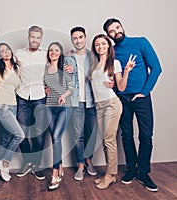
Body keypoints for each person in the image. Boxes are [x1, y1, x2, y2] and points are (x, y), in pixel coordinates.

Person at [103, 18, 162, 192]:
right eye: (112, 31)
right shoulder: (111, 51)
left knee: (145, 135)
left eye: (117, 27)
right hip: (121, 98)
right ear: (109, 35)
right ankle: (131, 169)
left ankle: (143, 172)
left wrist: (144, 91)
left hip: (141, 97)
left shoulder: (140, 42)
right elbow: (107, 71)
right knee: (126, 135)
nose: (116, 32)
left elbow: (156, 68)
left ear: (122, 27)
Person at [90, 34, 135, 189]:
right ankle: (110, 174)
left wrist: (127, 70)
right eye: (97, 44)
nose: (100, 47)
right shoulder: (94, 64)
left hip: (111, 103)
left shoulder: (114, 63)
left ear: (109, 45)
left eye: (103, 43)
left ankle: (110, 175)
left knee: (109, 140)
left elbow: (121, 87)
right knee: (105, 140)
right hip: (99, 105)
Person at [14, 26, 49, 180]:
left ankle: (36, 165)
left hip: (40, 97)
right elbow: (5, 63)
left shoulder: (46, 54)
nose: (35, 40)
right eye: (32, 37)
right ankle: (28, 162)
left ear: (41, 39)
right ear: (28, 37)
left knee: (39, 134)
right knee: (21, 133)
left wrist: (69, 58)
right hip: (22, 97)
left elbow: (58, 64)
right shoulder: (18, 54)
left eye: (38, 37)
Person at [44, 42, 75, 190]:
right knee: (55, 139)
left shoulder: (65, 68)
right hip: (49, 107)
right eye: (51, 50)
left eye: (56, 50)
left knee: (56, 137)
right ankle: (61, 166)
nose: (53, 52)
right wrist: (45, 89)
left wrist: (63, 95)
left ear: (60, 53)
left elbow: (71, 88)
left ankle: (55, 173)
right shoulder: (45, 68)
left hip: (64, 107)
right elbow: (44, 85)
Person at [69, 26, 98, 181]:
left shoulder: (94, 56)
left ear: (85, 38)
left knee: (92, 134)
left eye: (80, 37)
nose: (78, 40)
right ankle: (80, 164)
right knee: (77, 135)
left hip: (93, 101)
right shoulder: (68, 58)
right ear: (72, 40)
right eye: (75, 38)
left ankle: (89, 160)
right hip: (76, 102)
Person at [0, 42, 25, 182]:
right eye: (2, 51)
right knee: (19, 135)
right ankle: (5, 162)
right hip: (1, 105)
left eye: (7, 49)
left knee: (6, 138)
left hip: (13, 105)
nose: (6, 52)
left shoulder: (17, 68)